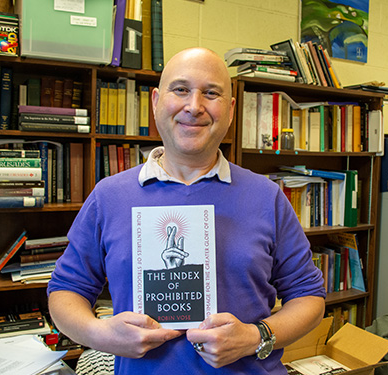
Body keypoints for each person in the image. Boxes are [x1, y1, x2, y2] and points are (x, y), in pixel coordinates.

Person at [48, 47, 326, 375]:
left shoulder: (268, 197)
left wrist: (256, 336)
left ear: (231, 108)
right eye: (180, 90)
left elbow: (309, 296)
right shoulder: (109, 196)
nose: (194, 106)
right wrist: (101, 334)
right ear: (155, 101)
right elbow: (65, 291)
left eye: (211, 93)